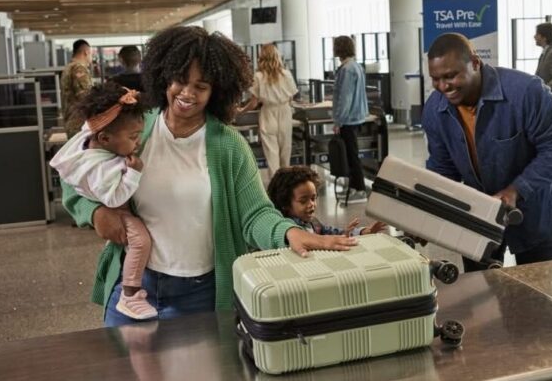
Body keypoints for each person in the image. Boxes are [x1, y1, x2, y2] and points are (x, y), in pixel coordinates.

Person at [62, 26, 357, 327]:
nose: (187, 93)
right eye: (180, 81)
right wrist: (96, 212)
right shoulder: (137, 128)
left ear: (216, 91)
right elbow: (75, 172)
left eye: (201, 86)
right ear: (165, 76)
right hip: (135, 288)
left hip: (200, 296)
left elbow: (255, 213)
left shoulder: (228, 145)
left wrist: (289, 233)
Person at [421, 33, 552, 272]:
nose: (443, 86)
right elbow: (443, 169)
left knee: (541, 297)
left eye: (450, 76)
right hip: (476, 220)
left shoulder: (526, 92)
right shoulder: (435, 109)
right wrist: (427, 214)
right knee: (481, 295)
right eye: (435, 79)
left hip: (536, 215)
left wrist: (516, 191)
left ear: (474, 63)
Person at [51, 82, 157, 320]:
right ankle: (130, 294)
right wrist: (95, 211)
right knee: (139, 240)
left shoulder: (103, 130)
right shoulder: (126, 122)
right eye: (133, 137)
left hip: (194, 278)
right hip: (128, 250)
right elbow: (81, 189)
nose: (187, 93)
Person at [267, 165, 386, 236]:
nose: (311, 205)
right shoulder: (287, 229)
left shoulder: (313, 222)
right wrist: (340, 238)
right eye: (303, 201)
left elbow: (331, 232)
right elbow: (315, 242)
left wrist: (362, 232)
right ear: (285, 204)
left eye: (313, 198)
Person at [237, 43, 298, 177]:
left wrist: (241, 111)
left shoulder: (258, 76)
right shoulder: (286, 74)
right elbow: (291, 96)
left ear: (262, 57)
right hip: (285, 112)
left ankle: (276, 191)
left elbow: (253, 103)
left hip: (268, 113)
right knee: (285, 155)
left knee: (272, 156)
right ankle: (286, 190)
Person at [332, 35, 369, 204]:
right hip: (356, 117)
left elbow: (345, 98)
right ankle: (356, 187)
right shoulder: (356, 66)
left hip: (348, 119)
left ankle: (360, 189)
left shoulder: (347, 69)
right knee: (352, 154)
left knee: (352, 156)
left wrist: (338, 121)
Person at [61, 39, 94, 136]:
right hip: (80, 123)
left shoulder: (68, 68)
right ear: (86, 52)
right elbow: (86, 96)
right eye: (90, 53)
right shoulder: (79, 68)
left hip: (71, 120)